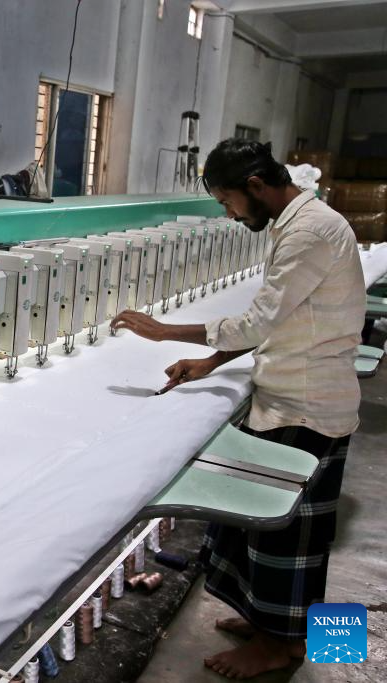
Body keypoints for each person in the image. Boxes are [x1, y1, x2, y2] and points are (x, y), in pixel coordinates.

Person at [111, 139, 365, 679]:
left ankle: (283, 648)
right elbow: (282, 316)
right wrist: (211, 361)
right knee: (276, 532)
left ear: (255, 186)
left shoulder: (311, 231)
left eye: (228, 201)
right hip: (293, 391)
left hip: (308, 405)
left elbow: (261, 319)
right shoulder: (295, 223)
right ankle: (282, 632)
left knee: (288, 536)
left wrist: (163, 331)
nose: (229, 213)